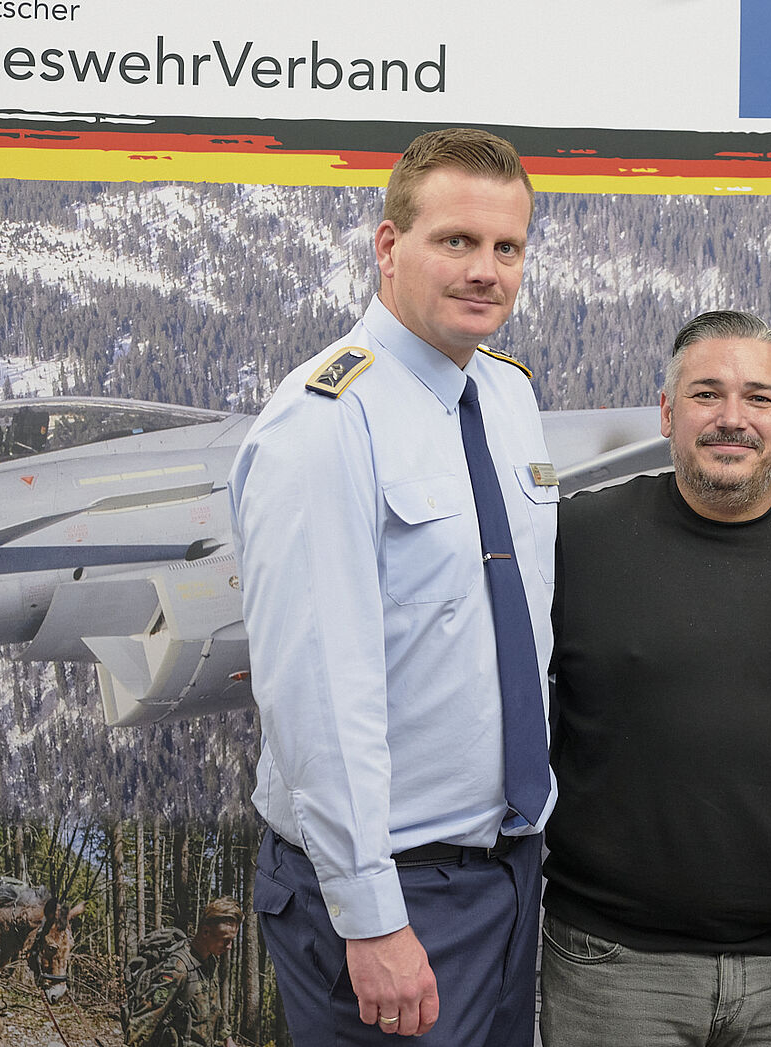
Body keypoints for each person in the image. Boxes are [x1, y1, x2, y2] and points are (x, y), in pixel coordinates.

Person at [230, 127, 554, 1045]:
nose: (485, 270)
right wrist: (371, 915)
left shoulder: (507, 395)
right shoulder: (324, 423)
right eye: (456, 241)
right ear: (388, 245)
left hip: (506, 872)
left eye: (507, 247)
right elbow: (316, 694)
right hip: (391, 892)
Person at [542, 309, 771, 1047]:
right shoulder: (573, 539)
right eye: (707, 394)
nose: (731, 419)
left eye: (759, 398)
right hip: (615, 968)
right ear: (669, 413)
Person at [122, 898, 242, 1047]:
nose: (229, 946)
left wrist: (227, 1038)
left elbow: (213, 1007)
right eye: (225, 940)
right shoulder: (177, 968)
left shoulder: (210, 962)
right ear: (205, 931)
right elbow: (146, 1018)